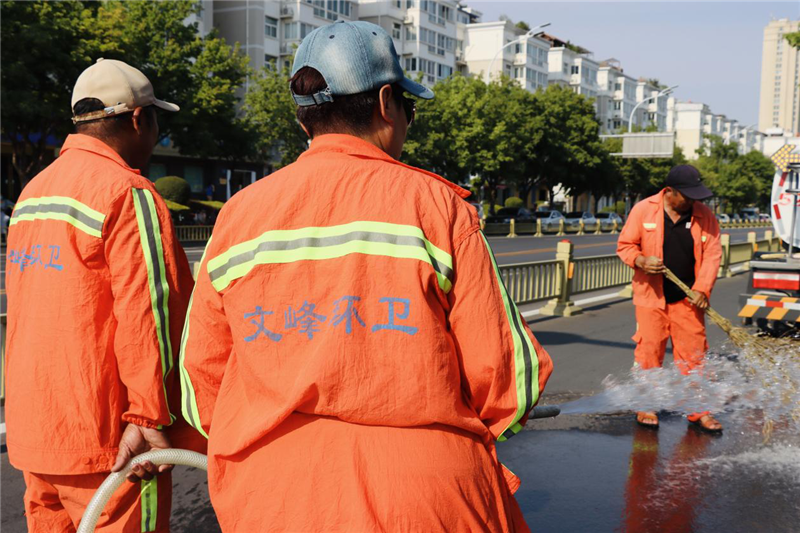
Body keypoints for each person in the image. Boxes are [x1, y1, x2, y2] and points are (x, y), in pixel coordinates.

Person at [180, 20, 553, 532]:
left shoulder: (238, 215)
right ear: (385, 102)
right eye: (409, 106)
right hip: (423, 497)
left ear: (302, 120)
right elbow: (511, 381)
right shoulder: (437, 208)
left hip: (269, 497)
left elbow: (200, 382)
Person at [5, 58, 198, 532]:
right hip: (113, 440)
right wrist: (151, 416)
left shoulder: (33, 193)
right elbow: (149, 314)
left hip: (38, 431)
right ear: (138, 118)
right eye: (156, 120)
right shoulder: (128, 192)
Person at [617, 165, 723, 432]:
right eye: (686, 196)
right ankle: (646, 404)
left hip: (689, 298)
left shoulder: (704, 215)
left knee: (695, 356)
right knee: (649, 352)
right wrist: (639, 260)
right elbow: (625, 246)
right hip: (650, 297)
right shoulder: (644, 209)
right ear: (670, 192)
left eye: (695, 197)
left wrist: (702, 289)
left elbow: (712, 254)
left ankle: (699, 411)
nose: (691, 202)